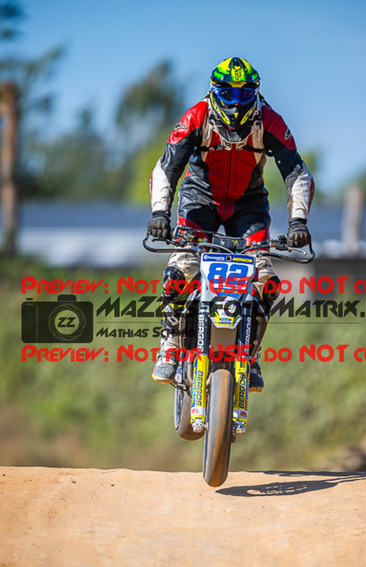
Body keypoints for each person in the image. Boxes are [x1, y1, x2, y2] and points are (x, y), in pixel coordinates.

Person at [147, 56, 314, 389]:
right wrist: (160, 215)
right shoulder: (196, 117)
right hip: (200, 200)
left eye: (244, 94)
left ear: (256, 93)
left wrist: (298, 222)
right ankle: (169, 346)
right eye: (228, 94)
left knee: (267, 282)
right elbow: (166, 168)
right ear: (214, 92)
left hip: (248, 205)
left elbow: (297, 173)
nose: (236, 104)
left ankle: (250, 355)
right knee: (178, 273)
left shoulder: (270, 121)